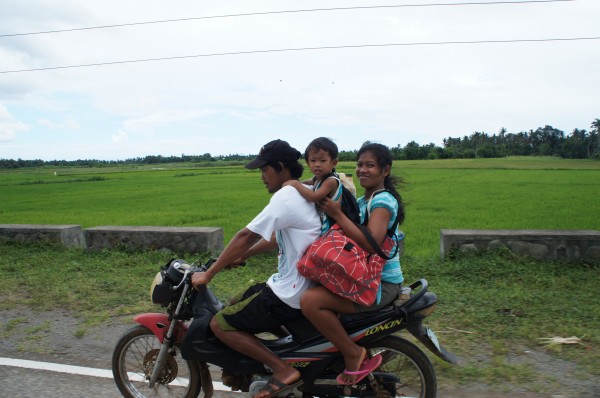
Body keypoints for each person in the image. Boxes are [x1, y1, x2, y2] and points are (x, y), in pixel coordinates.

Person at [191, 139, 321, 398]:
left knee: (221, 323)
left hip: (290, 292)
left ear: (281, 167)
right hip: (295, 284)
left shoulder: (286, 196)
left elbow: (245, 236)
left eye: (265, 170)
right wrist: (241, 257)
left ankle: (282, 369)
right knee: (238, 300)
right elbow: (275, 238)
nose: (262, 177)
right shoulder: (298, 194)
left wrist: (209, 273)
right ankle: (292, 354)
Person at [300, 142, 405, 385]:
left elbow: (372, 243)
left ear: (385, 171)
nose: (362, 170)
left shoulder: (382, 201)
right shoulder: (362, 200)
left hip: (380, 283)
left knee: (310, 302)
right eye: (359, 165)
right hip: (364, 276)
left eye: (370, 165)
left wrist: (337, 214)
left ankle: (352, 352)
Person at [283, 137, 342, 235]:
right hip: (323, 220)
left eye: (322, 160)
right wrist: (299, 183)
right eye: (313, 160)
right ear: (308, 163)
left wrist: (295, 184)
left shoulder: (331, 181)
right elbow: (307, 182)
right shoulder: (317, 178)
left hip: (332, 225)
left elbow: (313, 197)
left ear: (334, 163)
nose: (317, 164)